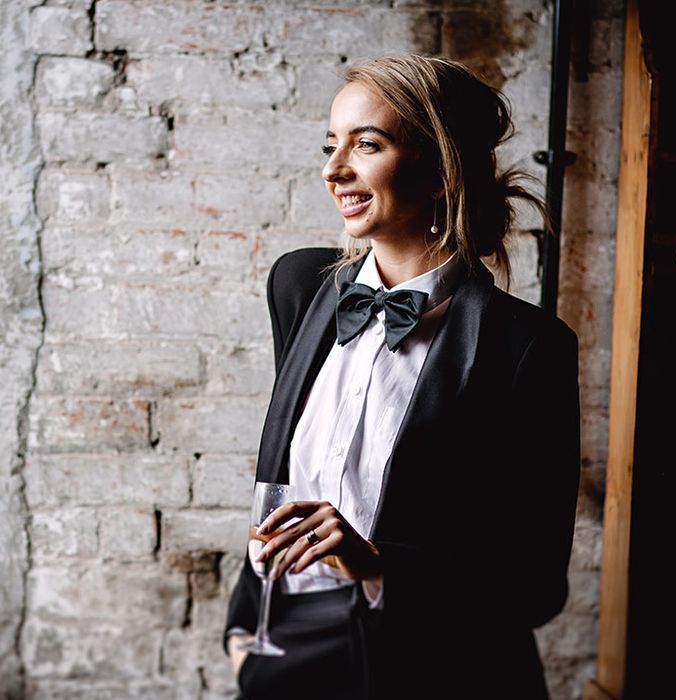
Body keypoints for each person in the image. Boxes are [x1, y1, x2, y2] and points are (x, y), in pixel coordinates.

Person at [223, 53, 581, 700]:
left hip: (442, 670)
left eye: (368, 144)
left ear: (440, 168)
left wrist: (378, 563)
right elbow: (282, 484)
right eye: (332, 146)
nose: (334, 171)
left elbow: (534, 586)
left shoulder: (530, 347)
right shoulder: (301, 288)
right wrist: (242, 633)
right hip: (288, 658)